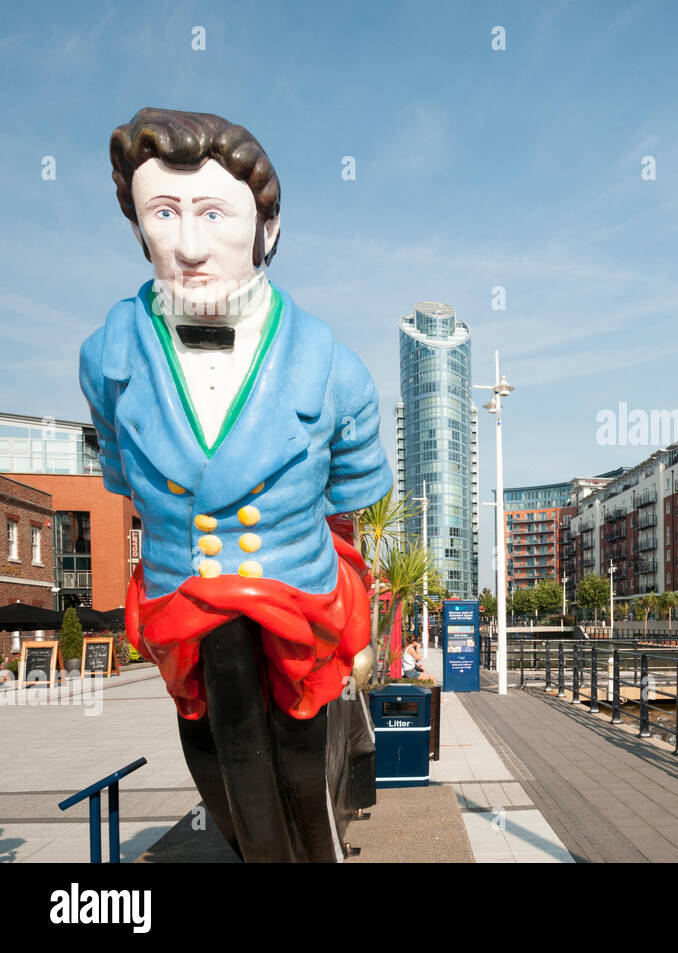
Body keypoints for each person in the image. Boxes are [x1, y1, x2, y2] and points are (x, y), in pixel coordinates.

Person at [81, 107, 392, 862]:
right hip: (179, 608)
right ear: (137, 228)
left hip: (295, 606)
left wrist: (362, 621)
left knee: (297, 767)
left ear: (268, 228)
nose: (189, 244)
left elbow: (348, 503)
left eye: (214, 213)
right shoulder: (105, 361)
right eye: (163, 212)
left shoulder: (337, 370)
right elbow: (125, 477)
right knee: (217, 767)